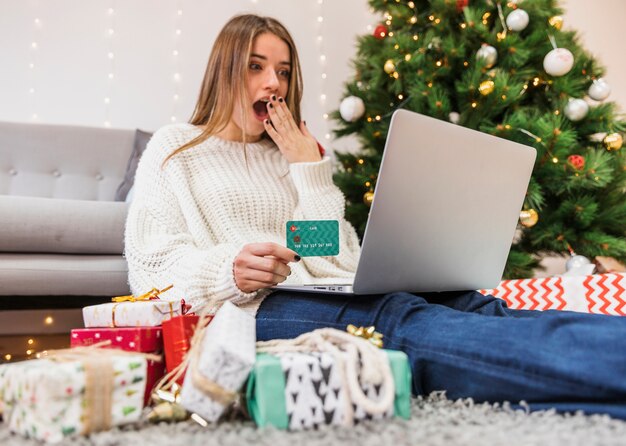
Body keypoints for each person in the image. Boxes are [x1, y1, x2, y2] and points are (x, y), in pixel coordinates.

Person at [125, 14, 626, 420]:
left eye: (282, 71)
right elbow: (150, 268)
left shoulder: (292, 156)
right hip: (249, 312)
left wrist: (308, 170)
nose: (273, 83)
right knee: (401, 322)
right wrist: (227, 270)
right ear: (224, 72)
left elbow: (331, 255)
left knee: (471, 305)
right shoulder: (177, 150)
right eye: (256, 67)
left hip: (316, 290)